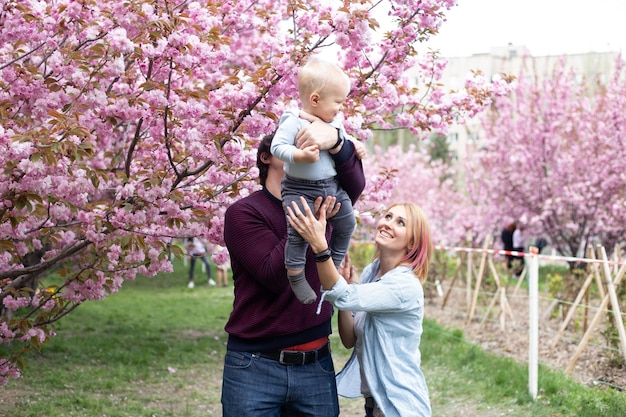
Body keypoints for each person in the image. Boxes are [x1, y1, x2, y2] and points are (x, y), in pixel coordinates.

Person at [220, 117, 366, 416]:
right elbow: (274, 276)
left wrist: (338, 142)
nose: (308, 147)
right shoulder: (243, 213)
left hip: (316, 364)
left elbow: (356, 183)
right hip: (255, 364)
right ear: (268, 156)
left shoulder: (328, 202)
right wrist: (306, 219)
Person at [287, 198, 433, 417]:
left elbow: (342, 296)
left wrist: (319, 245)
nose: (388, 223)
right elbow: (349, 340)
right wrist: (347, 297)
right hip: (374, 407)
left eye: (401, 223)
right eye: (388, 216)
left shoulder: (404, 285)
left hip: (400, 406)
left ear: (412, 243)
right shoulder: (372, 273)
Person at [271, 57, 367, 304]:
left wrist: (354, 143)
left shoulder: (333, 122)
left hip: (331, 186)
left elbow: (342, 137)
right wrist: (299, 154)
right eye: (337, 102)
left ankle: (333, 265)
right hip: (299, 188)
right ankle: (295, 274)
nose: (340, 109)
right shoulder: (293, 120)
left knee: (347, 224)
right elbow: (277, 147)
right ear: (315, 99)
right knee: (298, 234)